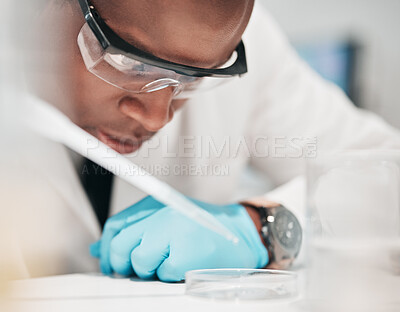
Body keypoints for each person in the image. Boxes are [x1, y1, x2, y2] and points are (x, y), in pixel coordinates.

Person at [1, 0, 399, 281]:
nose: (158, 117)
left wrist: (267, 227)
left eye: (195, 78)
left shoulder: (225, 42)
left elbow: (386, 172)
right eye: (131, 64)